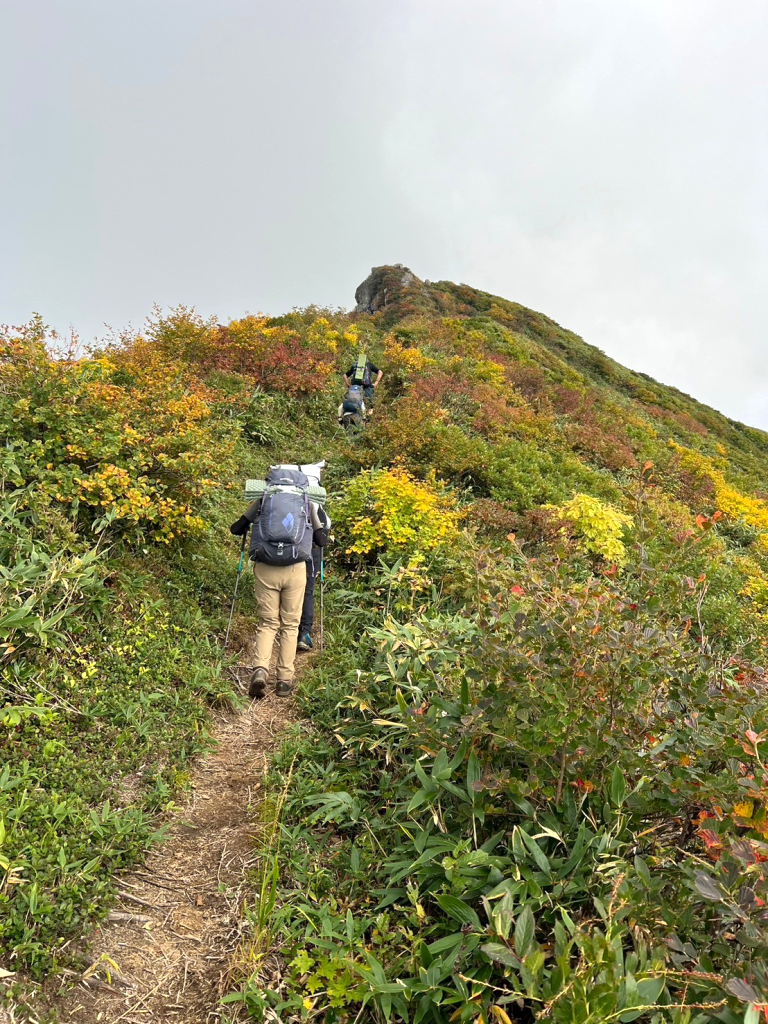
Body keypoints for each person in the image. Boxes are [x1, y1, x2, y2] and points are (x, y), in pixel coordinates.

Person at [229, 466, 327, 699]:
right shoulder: (307, 502)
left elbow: (236, 529)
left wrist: (251, 522)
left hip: (265, 568)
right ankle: (284, 680)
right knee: (290, 625)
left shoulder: (264, 500)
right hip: (295, 569)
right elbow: (322, 540)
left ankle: (260, 669)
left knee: (267, 623)